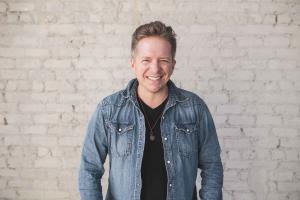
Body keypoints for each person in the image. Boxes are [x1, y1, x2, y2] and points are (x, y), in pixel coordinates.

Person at [79, 21, 223, 200]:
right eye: (146, 60)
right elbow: (89, 169)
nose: (155, 69)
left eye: (163, 60)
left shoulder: (195, 108)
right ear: (133, 64)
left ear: (173, 64)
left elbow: (212, 166)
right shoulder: (109, 110)